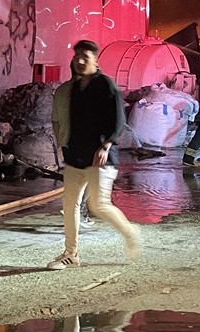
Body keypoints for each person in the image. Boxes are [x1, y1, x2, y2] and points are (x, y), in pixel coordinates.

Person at [48, 39, 142, 269]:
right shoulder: (72, 90)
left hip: (100, 157)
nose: (80, 60)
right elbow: (62, 119)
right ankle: (71, 254)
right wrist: (63, 145)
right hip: (75, 157)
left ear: (95, 60)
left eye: (85, 57)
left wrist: (106, 145)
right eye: (77, 55)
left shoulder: (105, 85)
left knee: (98, 205)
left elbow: (119, 120)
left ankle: (131, 233)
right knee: (70, 203)